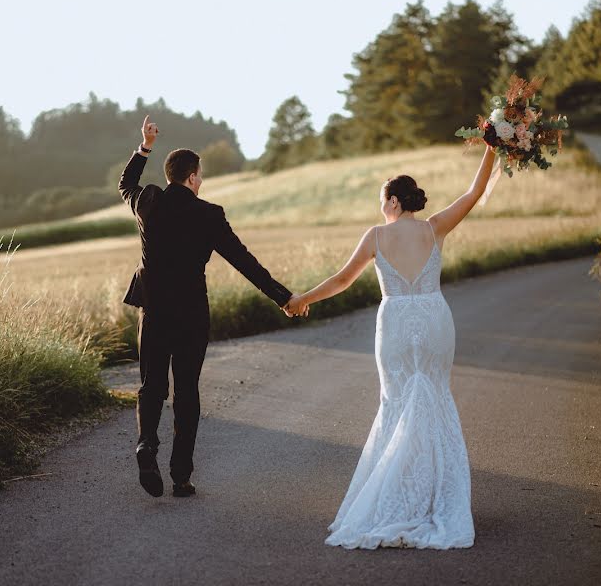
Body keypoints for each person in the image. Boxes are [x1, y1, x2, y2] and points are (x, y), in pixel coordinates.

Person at [285, 143, 497, 549]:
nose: (379, 207)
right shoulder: (434, 228)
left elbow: (343, 279)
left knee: (398, 403)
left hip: (396, 322)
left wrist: (303, 300)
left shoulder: (377, 236)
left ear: (394, 202)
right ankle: (436, 497)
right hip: (435, 318)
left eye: (381, 201)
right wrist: (491, 147)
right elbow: (473, 193)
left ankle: (400, 495)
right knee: (433, 397)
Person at [119, 116, 306, 498]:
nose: (200, 181)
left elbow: (126, 184)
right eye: (199, 176)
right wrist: (283, 297)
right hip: (191, 315)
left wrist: (145, 146)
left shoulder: (148, 202)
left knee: (151, 385)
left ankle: (146, 445)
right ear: (191, 178)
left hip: (153, 312)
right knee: (187, 390)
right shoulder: (209, 215)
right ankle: (181, 476)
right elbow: (244, 261)